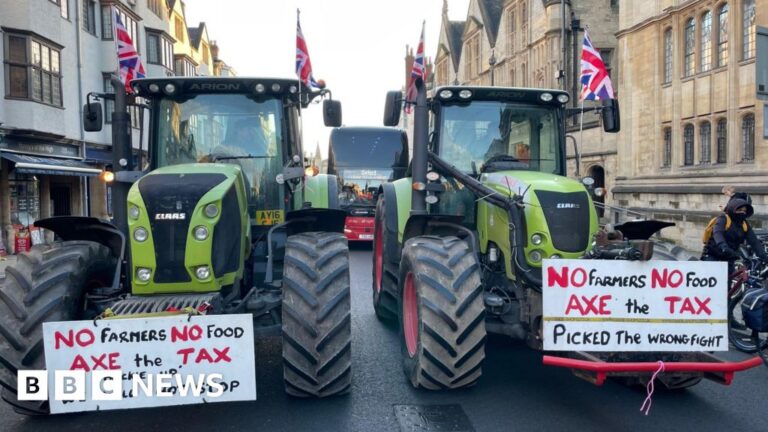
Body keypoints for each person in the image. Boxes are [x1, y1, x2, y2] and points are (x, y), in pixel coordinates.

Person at [702, 197, 768, 275]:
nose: (742, 213)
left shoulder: (744, 224)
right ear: (732, 209)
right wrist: (723, 246)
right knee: (710, 278)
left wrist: (764, 256)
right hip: (713, 254)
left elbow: (754, 242)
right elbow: (717, 233)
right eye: (739, 210)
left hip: (729, 256)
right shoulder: (724, 219)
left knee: (727, 282)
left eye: (744, 211)